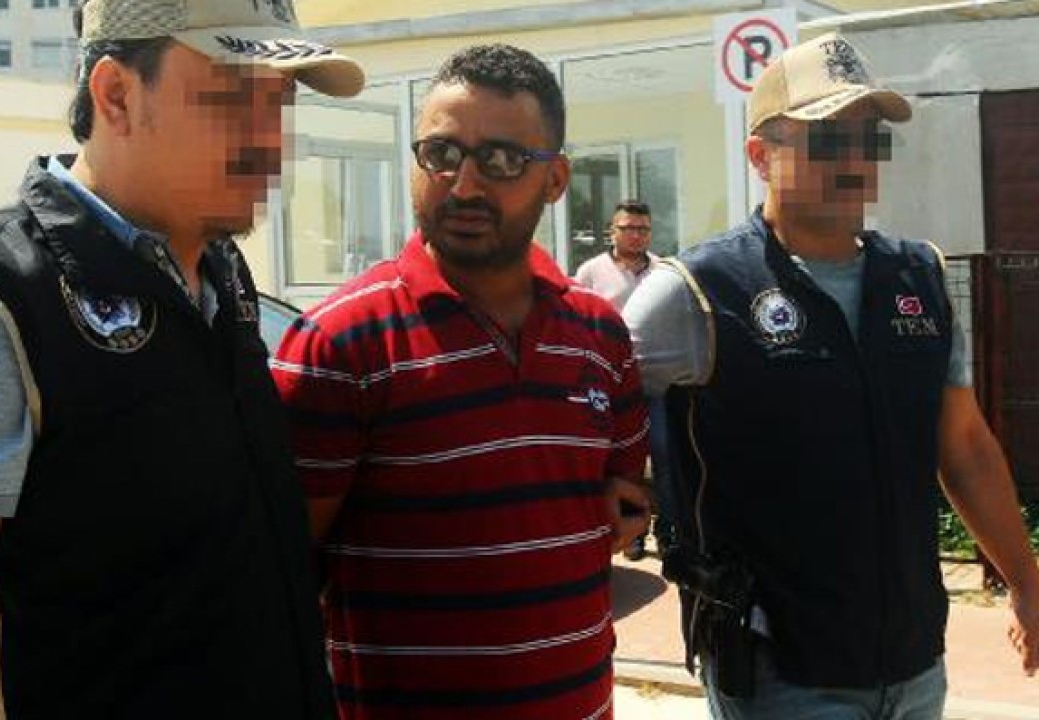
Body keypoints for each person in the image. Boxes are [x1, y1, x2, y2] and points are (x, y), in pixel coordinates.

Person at [0, 1, 364, 717]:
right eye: (233, 97)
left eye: (280, 103)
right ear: (115, 93)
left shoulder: (220, 276)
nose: (269, 138)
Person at [623, 32, 1039, 719]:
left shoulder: (918, 276)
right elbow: (590, 411)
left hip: (914, 664)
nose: (853, 159)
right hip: (779, 673)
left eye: (867, 138)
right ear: (761, 155)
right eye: (825, 140)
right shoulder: (696, 290)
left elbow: (964, 447)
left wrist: (1025, 581)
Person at [273, 44, 650, 720]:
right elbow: (277, 577)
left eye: (502, 160)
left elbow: (622, 503)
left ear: (556, 179)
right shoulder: (339, 344)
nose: (465, 184)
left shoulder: (601, 335)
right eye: (442, 154)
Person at [573, 200, 675, 562]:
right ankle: (631, 533)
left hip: (655, 382)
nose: (636, 235)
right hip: (610, 385)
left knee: (665, 456)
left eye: (643, 229)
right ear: (611, 232)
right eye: (628, 228)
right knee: (621, 461)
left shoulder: (663, 271)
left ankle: (669, 532)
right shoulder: (590, 273)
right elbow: (578, 323)